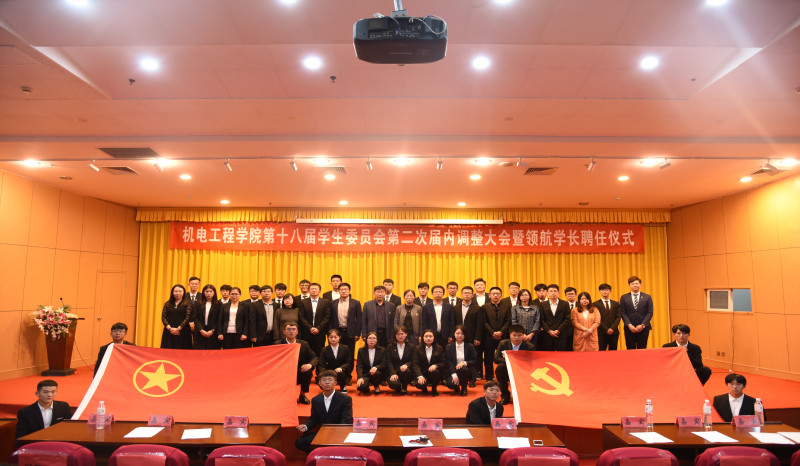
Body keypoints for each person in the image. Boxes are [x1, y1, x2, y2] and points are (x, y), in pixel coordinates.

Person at [295, 370, 353, 452]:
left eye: (330, 380)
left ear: (335, 382)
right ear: (320, 383)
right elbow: (314, 419)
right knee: (300, 442)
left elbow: (346, 420)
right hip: (322, 433)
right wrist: (306, 426)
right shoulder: (315, 400)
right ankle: (318, 455)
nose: (327, 382)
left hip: (338, 433)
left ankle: (325, 453)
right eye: (324, 380)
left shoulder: (345, 399)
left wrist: (337, 434)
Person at [494, 324, 535, 404]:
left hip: (522, 370)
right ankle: (505, 395)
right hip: (507, 369)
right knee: (500, 368)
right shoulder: (503, 343)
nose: (516, 338)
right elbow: (496, 359)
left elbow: (531, 362)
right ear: (510, 335)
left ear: (523, 336)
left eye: (519, 335)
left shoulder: (530, 347)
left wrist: (512, 359)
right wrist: (508, 360)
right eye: (514, 335)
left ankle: (522, 396)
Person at [329, 283, 361, 383]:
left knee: (349, 355)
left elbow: (359, 319)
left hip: (350, 332)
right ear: (338, 291)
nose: (343, 291)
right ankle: (337, 376)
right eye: (341, 289)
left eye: (346, 289)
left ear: (349, 291)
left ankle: (347, 376)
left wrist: (357, 333)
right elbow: (330, 319)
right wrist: (330, 333)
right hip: (336, 332)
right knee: (336, 354)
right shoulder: (333, 303)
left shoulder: (356, 303)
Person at [282, 322, 319, 404]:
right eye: (288, 329)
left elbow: (314, 357)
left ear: (297, 332)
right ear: (284, 331)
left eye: (293, 329)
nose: (291, 331)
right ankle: (282, 395)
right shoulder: (278, 344)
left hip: (299, 372)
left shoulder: (304, 344)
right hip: (283, 373)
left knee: (307, 371)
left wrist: (310, 364)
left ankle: (302, 395)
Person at [481, 286, 511, 381]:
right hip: (489, 337)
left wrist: (501, 332)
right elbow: (484, 322)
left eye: (497, 294)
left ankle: (504, 377)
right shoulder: (485, 307)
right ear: (489, 295)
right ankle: (489, 377)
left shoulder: (507, 306)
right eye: (493, 294)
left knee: (504, 358)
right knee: (488, 358)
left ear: (501, 295)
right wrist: (492, 333)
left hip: (503, 337)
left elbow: (508, 321)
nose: (495, 296)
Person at [456, 286, 482, 385]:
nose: (467, 295)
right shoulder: (456, 307)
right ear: (461, 294)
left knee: (471, 358)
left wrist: (478, 337)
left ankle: (472, 379)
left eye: (469, 293)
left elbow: (479, 324)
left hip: (472, 337)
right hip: (458, 337)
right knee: (459, 356)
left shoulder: (478, 308)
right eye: (465, 293)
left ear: (472, 295)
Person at [619, 275, 653, 349]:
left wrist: (643, 325)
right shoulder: (624, 297)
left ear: (640, 285)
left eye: (637, 283)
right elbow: (622, 312)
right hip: (629, 328)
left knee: (642, 348)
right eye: (633, 283)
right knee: (630, 349)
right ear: (629, 285)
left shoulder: (647, 297)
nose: (635, 285)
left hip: (644, 328)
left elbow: (650, 312)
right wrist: (629, 324)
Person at [445, 325, 478, 396]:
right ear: (454, 334)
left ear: (465, 335)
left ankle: (464, 388)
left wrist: (464, 363)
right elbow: (449, 362)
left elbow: (474, 360)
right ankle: (456, 386)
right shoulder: (449, 347)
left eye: (462, 334)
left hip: (467, 371)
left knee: (463, 369)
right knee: (451, 384)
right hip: (454, 370)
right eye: (457, 333)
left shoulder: (470, 346)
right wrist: (454, 375)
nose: (460, 335)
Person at [299, 283, 330, 357]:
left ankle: (319, 365)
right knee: (306, 352)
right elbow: (301, 316)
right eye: (312, 289)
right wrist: (310, 328)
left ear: (320, 291)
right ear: (309, 290)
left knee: (319, 352)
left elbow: (327, 317)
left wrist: (318, 328)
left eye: (316, 289)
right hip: (307, 331)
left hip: (320, 332)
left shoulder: (325, 302)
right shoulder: (303, 302)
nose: (313, 290)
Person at [413, 329, 445, 396]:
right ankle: (424, 387)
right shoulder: (417, 348)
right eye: (426, 336)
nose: (428, 338)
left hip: (434, 374)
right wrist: (420, 376)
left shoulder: (439, 348)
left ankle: (434, 388)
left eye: (430, 336)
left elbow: (443, 362)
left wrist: (436, 366)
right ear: (423, 338)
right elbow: (415, 364)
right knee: (420, 385)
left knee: (435, 371)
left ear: (434, 337)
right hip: (423, 373)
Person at [539, 284, 571, 351]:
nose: (553, 293)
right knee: (547, 355)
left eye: (555, 291)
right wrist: (549, 331)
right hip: (547, 335)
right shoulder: (542, 304)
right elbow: (542, 320)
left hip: (561, 334)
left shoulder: (565, 304)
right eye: (551, 291)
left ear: (558, 293)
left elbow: (567, 319)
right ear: (547, 293)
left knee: (561, 355)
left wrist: (559, 330)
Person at [160, 284, 192, 349]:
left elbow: (187, 318)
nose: (178, 293)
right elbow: (163, 317)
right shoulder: (167, 304)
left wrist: (178, 329)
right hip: (169, 331)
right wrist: (170, 328)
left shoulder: (188, 304)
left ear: (183, 292)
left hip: (183, 331)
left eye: (180, 291)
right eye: (176, 291)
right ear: (172, 292)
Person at [385, 326, 416, 393]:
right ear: (395, 335)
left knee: (406, 371)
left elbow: (413, 361)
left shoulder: (411, 346)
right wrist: (393, 373)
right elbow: (389, 362)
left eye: (402, 334)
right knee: (394, 384)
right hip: (394, 371)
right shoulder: (390, 346)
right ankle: (398, 386)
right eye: (398, 334)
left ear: (406, 334)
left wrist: (406, 365)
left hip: (406, 372)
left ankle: (404, 387)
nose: (400, 336)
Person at [594, 283, 622, 351]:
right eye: (602, 290)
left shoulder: (615, 303)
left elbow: (618, 317)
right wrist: (606, 329)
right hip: (601, 332)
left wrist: (612, 328)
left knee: (613, 352)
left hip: (614, 332)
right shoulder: (595, 304)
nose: (605, 291)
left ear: (610, 291)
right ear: (599, 291)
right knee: (601, 352)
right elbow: (597, 318)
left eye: (606, 290)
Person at [194, 284, 220, 350]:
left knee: (212, 352)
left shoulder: (219, 304)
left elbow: (219, 319)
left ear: (214, 293)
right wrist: (201, 330)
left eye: (211, 291)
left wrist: (213, 330)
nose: (208, 293)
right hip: (200, 331)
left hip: (213, 332)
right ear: (203, 293)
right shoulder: (198, 303)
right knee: (199, 352)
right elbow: (195, 318)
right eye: (206, 291)